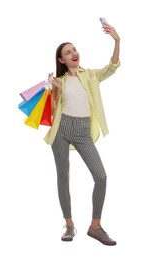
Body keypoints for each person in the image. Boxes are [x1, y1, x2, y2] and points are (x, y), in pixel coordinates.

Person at [44, 22, 120, 245]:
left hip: (83, 131)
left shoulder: (91, 75)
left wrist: (117, 40)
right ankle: (69, 226)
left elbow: (113, 66)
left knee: (101, 176)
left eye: (74, 49)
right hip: (61, 130)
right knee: (63, 178)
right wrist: (51, 89)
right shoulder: (60, 81)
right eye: (67, 52)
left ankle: (95, 227)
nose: (73, 53)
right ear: (61, 60)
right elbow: (52, 112)